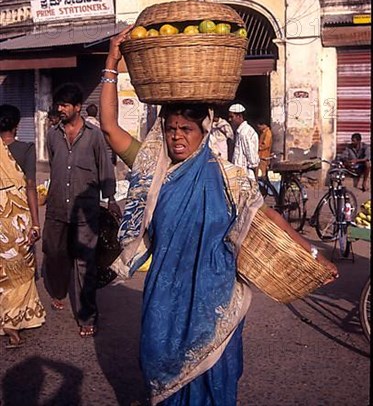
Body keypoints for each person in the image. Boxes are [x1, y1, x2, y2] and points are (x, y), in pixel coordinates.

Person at [99, 30, 338, 406]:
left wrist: (312, 253)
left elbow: (269, 217)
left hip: (216, 296)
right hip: (165, 293)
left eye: (187, 129)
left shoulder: (230, 177)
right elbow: (110, 127)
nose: (178, 137)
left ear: (204, 131)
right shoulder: (152, 167)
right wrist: (112, 63)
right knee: (162, 363)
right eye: (171, 129)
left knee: (217, 374)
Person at [42, 83, 121, 338]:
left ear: (78, 107)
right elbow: (55, 164)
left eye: (65, 105)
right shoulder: (52, 134)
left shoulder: (94, 135)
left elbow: (104, 167)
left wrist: (110, 198)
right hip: (56, 206)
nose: (60, 109)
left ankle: (87, 315)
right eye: (59, 105)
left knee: (84, 262)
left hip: (86, 210)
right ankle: (58, 290)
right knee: (54, 252)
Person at [0, 104, 46, 348]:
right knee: (22, 269)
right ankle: (15, 321)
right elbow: (30, 187)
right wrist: (36, 224)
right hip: (18, 217)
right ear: (16, 126)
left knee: (3, 269)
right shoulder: (26, 149)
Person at [228, 103, 259, 180]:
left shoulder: (244, 133)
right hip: (239, 175)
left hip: (245, 176)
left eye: (232, 117)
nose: (230, 120)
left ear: (239, 116)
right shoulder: (240, 132)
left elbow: (253, 160)